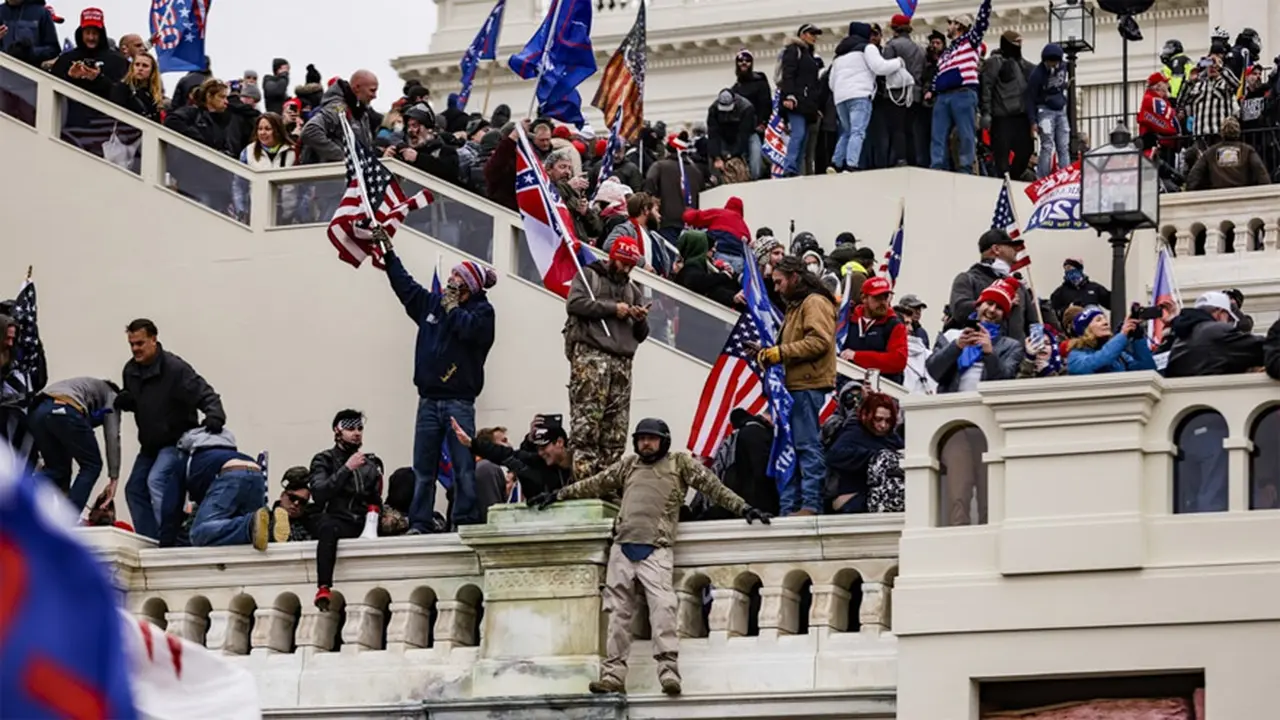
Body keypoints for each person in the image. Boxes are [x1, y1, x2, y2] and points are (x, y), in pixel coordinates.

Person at [528, 418, 771, 696]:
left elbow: (714, 488)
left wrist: (744, 508)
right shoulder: (628, 465)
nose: (646, 443)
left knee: (663, 611)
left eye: (651, 438)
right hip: (622, 547)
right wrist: (559, 495)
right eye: (642, 438)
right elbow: (594, 484)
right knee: (618, 615)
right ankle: (613, 676)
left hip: (656, 548)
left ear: (663, 440)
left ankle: (668, 674)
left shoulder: (680, 463)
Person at [381, 234, 496, 533]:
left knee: (463, 468)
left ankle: (465, 522)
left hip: (460, 401)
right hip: (428, 400)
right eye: (452, 273)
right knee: (423, 469)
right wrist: (389, 254)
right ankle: (420, 522)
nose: (451, 278)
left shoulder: (483, 312)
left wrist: (453, 308)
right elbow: (405, 288)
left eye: (458, 275)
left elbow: (471, 332)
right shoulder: (432, 304)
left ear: (470, 285)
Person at [117, 319, 225, 547]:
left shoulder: (175, 369)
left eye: (140, 343)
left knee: (156, 480)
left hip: (176, 441)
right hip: (149, 445)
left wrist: (215, 415)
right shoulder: (131, 370)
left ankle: (172, 539)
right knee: (134, 488)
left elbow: (205, 393)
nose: (135, 348)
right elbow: (139, 399)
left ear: (154, 340)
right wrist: (128, 401)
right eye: (132, 344)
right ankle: (150, 540)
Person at [565, 236, 651, 481]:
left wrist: (640, 317)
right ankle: (583, 482)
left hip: (622, 364)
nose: (626, 270)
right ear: (613, 258)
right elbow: (575, 304)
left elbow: (641, 335)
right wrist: (614, 308)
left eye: (630, 266)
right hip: (592, 357)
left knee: (615, 431)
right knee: (586, 425)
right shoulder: (589, 277)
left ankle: (607, 483)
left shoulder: (633, 290)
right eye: (623, 264)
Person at [756, 256, 836, 517]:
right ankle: (789, 507)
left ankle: (811, 505)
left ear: (794, 278)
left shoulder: (814, 303)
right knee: (788, 448)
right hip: (792, 389)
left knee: (806, 446)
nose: (776, 288)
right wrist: (766, 353)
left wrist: (779, 353)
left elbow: (819, 342)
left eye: (779, 282)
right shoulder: (795, 306)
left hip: (806, 386)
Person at [309, 410, 384, 611]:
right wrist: (346, 469)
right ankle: (323, 586)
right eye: (350, 428)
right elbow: (320, 493)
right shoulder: (323, 459)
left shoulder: (369, 464)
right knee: (327, 528)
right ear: (337, 430)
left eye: (360, 428)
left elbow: (375, 498)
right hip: (336, 520)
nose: (357, 433)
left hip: (362, 521)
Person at [182, 426, 287, 550]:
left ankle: (250, 524)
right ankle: (271, 524)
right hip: (256, 472)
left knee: (199, 533)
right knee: (257, 532)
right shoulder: (228, 451)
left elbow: (193, 498)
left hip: (231, 474)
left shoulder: (194, 457)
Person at [26, 377, 120, 514]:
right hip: (65, 409)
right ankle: (68, 520)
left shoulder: (83, 387)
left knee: (57, 470)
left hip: (38, 412)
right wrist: (114, 477)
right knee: (92, 465)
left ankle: (12, 494)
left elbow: (73, 433)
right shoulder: (112, 395)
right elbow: (112, 434)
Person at [828, 22, 904, 173]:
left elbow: (831, 82)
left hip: (840, 98)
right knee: (858, 131)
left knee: (847, 132)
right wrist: (898, 62)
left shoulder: (839, 56)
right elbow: (880, 67)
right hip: (860, 94)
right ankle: (851, 165)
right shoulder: (867, 48)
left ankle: (835, 164)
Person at [929, 0, 993, 173]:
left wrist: (986, 4)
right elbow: (939, 72)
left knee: (966, 134)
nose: (948, 27)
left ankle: (966, 168)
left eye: (951, 23)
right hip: (943, 96)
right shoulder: (946, 53)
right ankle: (937, 167)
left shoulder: (970, 41)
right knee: (938, 135)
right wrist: (932, 89)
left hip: (963, 93)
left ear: (959, 26)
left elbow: (981, 23)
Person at [927, 278, 1023, 392]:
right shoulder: (951, 335)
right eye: (989, 303)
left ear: (1004, 316)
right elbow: (933, 372)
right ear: (978, 305)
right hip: (951, 405)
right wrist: (956, 346)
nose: (992, 310)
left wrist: (989, 354)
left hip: (986, 407)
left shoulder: (1011, 346)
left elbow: (1005, 384)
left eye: (999, 308)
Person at [453, 418, 573, 502]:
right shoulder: (536, 463)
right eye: (538, 448)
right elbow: (504, 454)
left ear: (559, 442)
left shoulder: (585, 460)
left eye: (544, 447)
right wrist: (472, 443)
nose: (541, 453)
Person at [949, 228, 1035, 342]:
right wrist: (997, 300)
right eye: (1011, 246)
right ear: (996, 249)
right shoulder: (967, 279)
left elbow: (1033, 324)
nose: (1016, 251)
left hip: (1017, 356)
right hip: (982, 354)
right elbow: (959, 311)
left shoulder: (1019, 287)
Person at [825, 392, 904, 513]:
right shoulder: (854, 431)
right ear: (867, 415)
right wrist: (875, 457)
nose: (883, 425)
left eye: (888, 421)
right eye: (878, 419)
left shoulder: (893, 438)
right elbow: (835, 454)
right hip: (853, 499)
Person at [697, 409, 777, 520]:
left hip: (747, 504)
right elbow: (762, 470)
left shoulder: (740, 435)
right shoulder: (762, 433)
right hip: (764, 503)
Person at [1165, 292, 1265, 378]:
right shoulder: (1216, 331)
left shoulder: (1180, 337)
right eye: (1229, 318)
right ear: (1220, 313)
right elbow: (1260, 347)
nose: (1229, 323)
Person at [980, 31, 1034, 180]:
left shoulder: (1024, 65)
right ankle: (1004, 181)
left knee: (1026, 151)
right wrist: (986, 113)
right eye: (1016, 42)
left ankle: (1013, 177)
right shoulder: (994, 62)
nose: (1019, 46)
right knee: (1001, 156)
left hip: (1021, 117)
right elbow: (987, 87)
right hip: (1002, 117)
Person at [839, 277, 908, 385]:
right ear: (864, 298)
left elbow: (898, 361)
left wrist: (856, 357)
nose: (883, 302)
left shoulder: (895, 325)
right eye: (877, 298)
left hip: (884, 392)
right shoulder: (847, 320)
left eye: (885, 297)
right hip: (846, 387)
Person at [300, 69, 379, 164]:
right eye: (372, 90)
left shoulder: (361, 113)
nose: (374, 96)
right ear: (357, 87)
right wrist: (342, 156)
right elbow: (310, 131)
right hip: (332, 174)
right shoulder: (337, 109)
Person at [778, 23, 824, 176]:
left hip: (807, 104)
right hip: (796, 101)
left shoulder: (809, 55)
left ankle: (796, 169)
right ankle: (789, 167)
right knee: (798, 133)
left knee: (804, 138)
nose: (814, 37)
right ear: (802, 35)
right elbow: (788, 74)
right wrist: (789, 95)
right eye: (811, 34)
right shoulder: (793, 51)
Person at [882, 15, 926, 168]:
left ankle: (901, 159)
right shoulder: (920, 49)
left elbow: (885, 68)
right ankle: (912, 160)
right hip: (915, 94)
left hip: (897, 94)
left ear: (894, 28)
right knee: (909, 129)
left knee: (897, 128)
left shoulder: (892, 46)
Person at [234, 113, 297, 221]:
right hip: (257, 214)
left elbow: (303, 188)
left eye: (268, 129)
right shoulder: (248, 152)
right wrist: (241, 210)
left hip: (288, 215)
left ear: (277, 130)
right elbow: (240, 185)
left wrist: (298, 211)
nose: (263, 133)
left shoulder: (292, 152)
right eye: (260, 129)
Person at [644, 136, 703, 248]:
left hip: (666, 222)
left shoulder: (659, 166)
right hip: (691, 224)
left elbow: (648, 186)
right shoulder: (696, 171)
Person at [1064, 306, 1158, 375]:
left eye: (1105, 318)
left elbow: (1148, 370)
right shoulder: (1075, 356)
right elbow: (1097, 361)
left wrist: (1138, 338)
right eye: (1098, 320)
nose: (1106, 322)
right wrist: (1122, 334)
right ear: (1086, 329)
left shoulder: (1120, 356)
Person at [1186, 117, 1272, 191]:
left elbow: (1194, 175)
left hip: (1218, 194)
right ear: (1238, 131)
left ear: (1221, 132)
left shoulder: (1210, 152)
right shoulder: (1247, 150)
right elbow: (1261, 173)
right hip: (1242, 193)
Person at [390, 102, 462, 186]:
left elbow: (449, 172)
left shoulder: (446, 151)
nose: (410, 130)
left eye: (415, 125)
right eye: (408, 126)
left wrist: (418, 158)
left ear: (429, 129)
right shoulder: (405, 153)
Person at [1026, 43, 1070, 177]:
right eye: (1051, 62)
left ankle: (1065, 175)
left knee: (1063, 146)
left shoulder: (1063, 67)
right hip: (1044, 111)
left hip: (1060, 110)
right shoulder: (1037, 75)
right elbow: (1030, 98)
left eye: (1056, 62)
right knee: (1047, 146)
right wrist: (1033, 121)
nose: (1053, 65)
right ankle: (1042, 177)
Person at [603, 192, 671, 276]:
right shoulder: (626, 229)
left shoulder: (655, 237)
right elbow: (609, 245)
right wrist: (641, 263)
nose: (659, 215)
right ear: (646, 209)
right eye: (656, 210)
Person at [673, 230, 742, 309]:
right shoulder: (690, 269)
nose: (713, 250)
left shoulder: (704, 268)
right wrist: (723, 276)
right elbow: (703, 284)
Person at [681, 196, 750, 275]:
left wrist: (687, 212)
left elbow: (692, 217)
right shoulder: (743, 225)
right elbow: (748, 242)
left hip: (719, 255)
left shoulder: (719, 213)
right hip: (738, 260)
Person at [548, 149, 603, 247]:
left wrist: (586, 213)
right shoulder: (545, 187)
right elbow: (550, 203)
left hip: (578, 246)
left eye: (569, 168)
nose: (567, 172)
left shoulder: (574, 195)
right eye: (562, 167)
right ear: (549, 169)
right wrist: (568, 187)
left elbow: (596, 230)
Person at [164, 78, 233, 155]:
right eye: (222, 97)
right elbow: (171, 120)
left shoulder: (224, 122)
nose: (226, 102)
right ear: (209, 96)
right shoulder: (192, 112)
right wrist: (198, 139)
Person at [730, 49, 771, 178]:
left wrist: (763, 122)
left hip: (755, 129)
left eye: (747, 61)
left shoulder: (759, 82)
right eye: (741, 61)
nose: (744, 63)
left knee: (756, 159)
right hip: (740, 131)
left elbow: (766, 103)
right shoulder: (735, 89)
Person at [706, 89, 757, 175]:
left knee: (755, 160)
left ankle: (755, 175)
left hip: (747, 134)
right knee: (714, 159)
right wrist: (717, 157)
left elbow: (743, 134)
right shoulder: (713, 109)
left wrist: (733, 155)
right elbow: (713, 134)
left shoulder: (746, 108)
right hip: (724, 136)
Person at [0, 0, 61, 67]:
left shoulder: (41, 12)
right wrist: (6, 52)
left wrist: (30, 52)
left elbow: (54, 49)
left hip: (30, 72)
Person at [109, 51, 162, 124]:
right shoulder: (122, 88)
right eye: (137, 65)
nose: (140, 68)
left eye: (145, 66)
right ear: (132, 67)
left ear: (152, 71)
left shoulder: (153, 96)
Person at [274, 466, 316, 542]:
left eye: (302, 502)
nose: (296, 503)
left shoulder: (311, 523)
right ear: (282, 495)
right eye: (292, 498)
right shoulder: (267, 519)